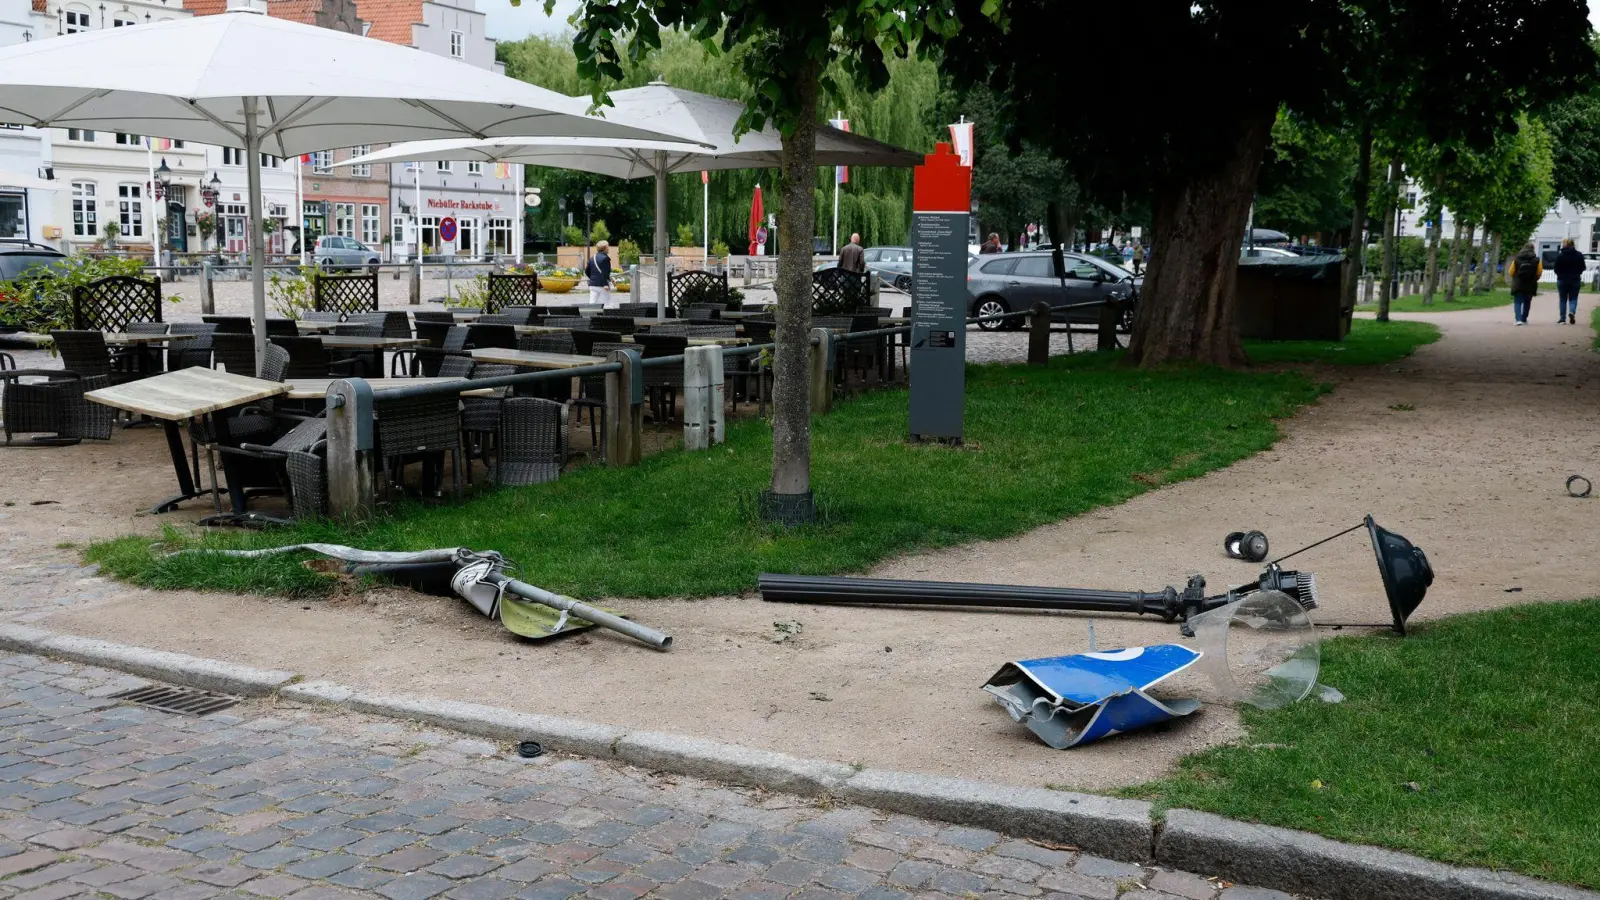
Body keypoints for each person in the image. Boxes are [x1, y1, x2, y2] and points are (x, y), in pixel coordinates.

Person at [1507, 241, 1542, 326]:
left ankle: (1518, 319)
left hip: (1518, 283)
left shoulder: (1516, 259)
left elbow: (1511, 271)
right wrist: (1536, 278)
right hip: (1530, 284)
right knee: (1527, 302)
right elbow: (1539, 272)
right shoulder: (1537, 260)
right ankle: (1524, 319)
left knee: (1518, 302)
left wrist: (1515, 277)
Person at [1553, 237, 1584, 324]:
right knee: (1573, 298)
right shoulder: (1579, 255)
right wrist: (1577, 273)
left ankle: (1562, 319)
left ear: (1565, 244)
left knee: (1562, 299)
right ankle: (1572, 311)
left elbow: (1556, 268)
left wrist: (1560, 275)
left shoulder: (1561, 255)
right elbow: (1582, 267)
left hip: (1562, 280)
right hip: (1575, 279)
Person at [585, 240, 613, 308]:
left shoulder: (592, 258)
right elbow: (605, 272)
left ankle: (590, 317)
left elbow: (586, 271)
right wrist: (605, 284)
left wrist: (593, 278)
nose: (608, 248)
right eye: (608, 247)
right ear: (604, 248)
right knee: (607, 304)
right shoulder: (605, 258)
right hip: (602, 286)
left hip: (592, 285)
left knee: (592, 303)